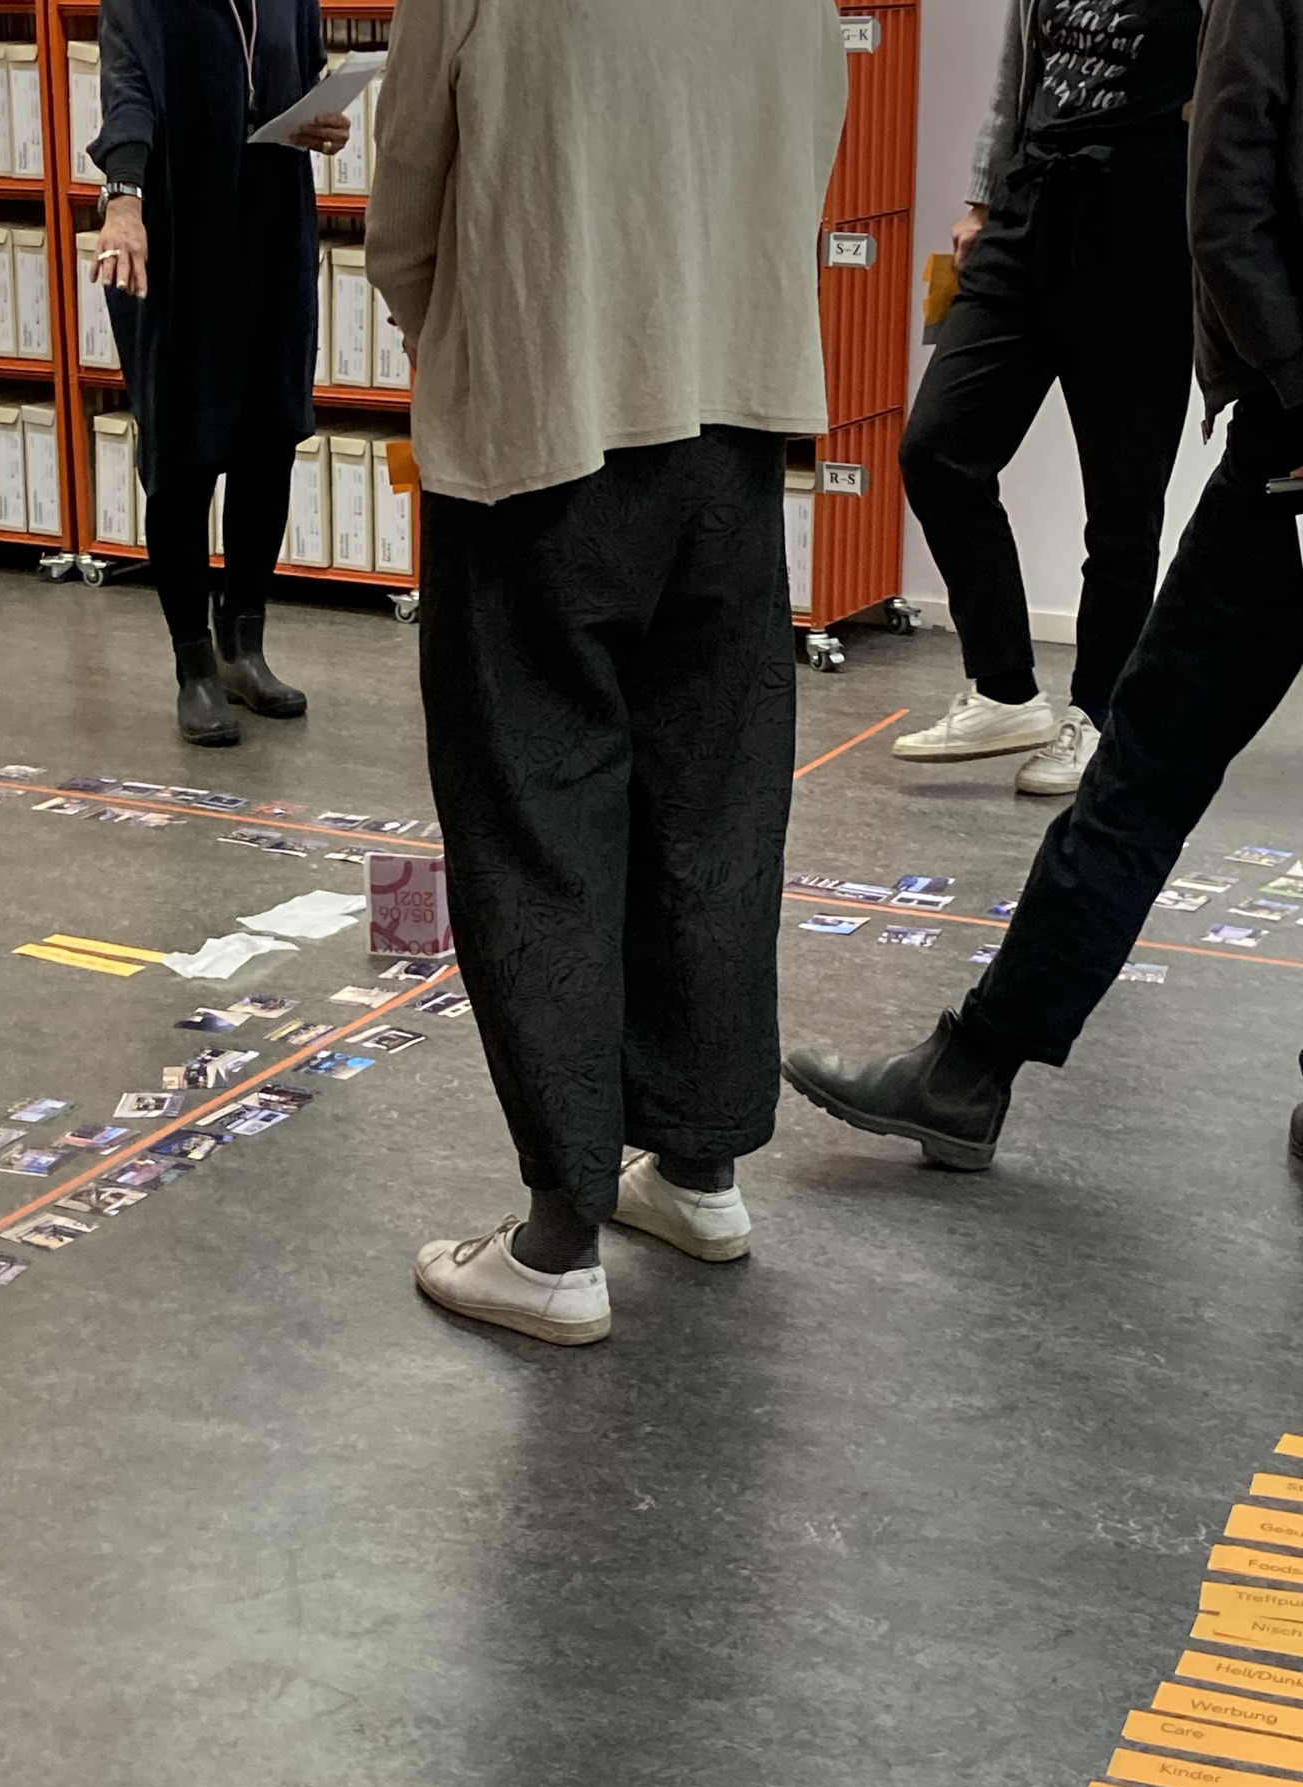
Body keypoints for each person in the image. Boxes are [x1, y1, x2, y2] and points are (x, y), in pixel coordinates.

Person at [366, 0, 847, 1347]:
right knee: (714, 807)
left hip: (549, 409)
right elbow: (810, 141)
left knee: (537, 816)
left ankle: (559, 1237)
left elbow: (407, 199)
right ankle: (697, 1170)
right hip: (736, 415)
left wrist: (440, 330)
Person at [783, 0, 1303, 1170]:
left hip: (1283, 441)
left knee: (1144, 764)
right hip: (1065, 228)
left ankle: (970, 1070)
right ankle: (1007, 692)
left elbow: (1226, 196)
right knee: (942, 453)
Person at [891, 0, 1203, 798]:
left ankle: (1097, 714)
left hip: (1146, 223)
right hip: (1030, 204)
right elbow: (1016, 73)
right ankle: (1003, 689)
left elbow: (1240, 93)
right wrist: (982, 199)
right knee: (936, 450)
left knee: (1123, 504)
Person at [90, 0, 351, 748]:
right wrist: (124, 200)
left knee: (270, 443)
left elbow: (304, 75)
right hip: (180, 238)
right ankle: (195, 669)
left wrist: (324, 123)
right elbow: (128, 93)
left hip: (273, 231)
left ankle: (243, 647)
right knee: (182, 457)